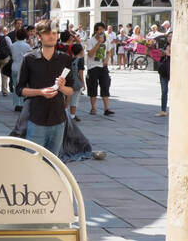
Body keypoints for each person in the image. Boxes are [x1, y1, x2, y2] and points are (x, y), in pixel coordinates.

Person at [15, 25, 74, 157]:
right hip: (36, 118)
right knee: (32, 162)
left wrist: (62, 87)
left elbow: (71, 90)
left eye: (54, 33)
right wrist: (41, 92)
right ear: (39, 37)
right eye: (47, 33)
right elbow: (19, 89)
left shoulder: (65, 59)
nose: (52, 36)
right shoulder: (29, 58)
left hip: (58, 119)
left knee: (53, 163)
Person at [85, 22, 115, 116]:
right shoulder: (90, 41)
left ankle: (107, 108)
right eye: (99, 29)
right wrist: (98, 42)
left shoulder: (106, 41)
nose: (101, 31)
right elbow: (90, 54)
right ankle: (93, 108)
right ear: (95, 31)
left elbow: (109, 51)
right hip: (93, 67)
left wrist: (107, 59)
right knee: (93, 88)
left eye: (102, 29)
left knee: (105, 86)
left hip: (103, 66)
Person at [9, 28, 32, 110]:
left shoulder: (13, 45)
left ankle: (16, 103)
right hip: (23, 67)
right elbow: (31, 55)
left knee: (15, 85)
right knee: (23, 86)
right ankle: (22, 104)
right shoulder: (27, 46)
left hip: (14, 66)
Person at [156, 33, 171, 115]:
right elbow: (161, 57)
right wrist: (162, 52)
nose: (170, 38)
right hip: (164, 71)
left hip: (173, 70)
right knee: (164, 91)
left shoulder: (178, 46)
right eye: (169, 36)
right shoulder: (165, 46)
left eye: (171, 36)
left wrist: (167, 53)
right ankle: (163, 110)